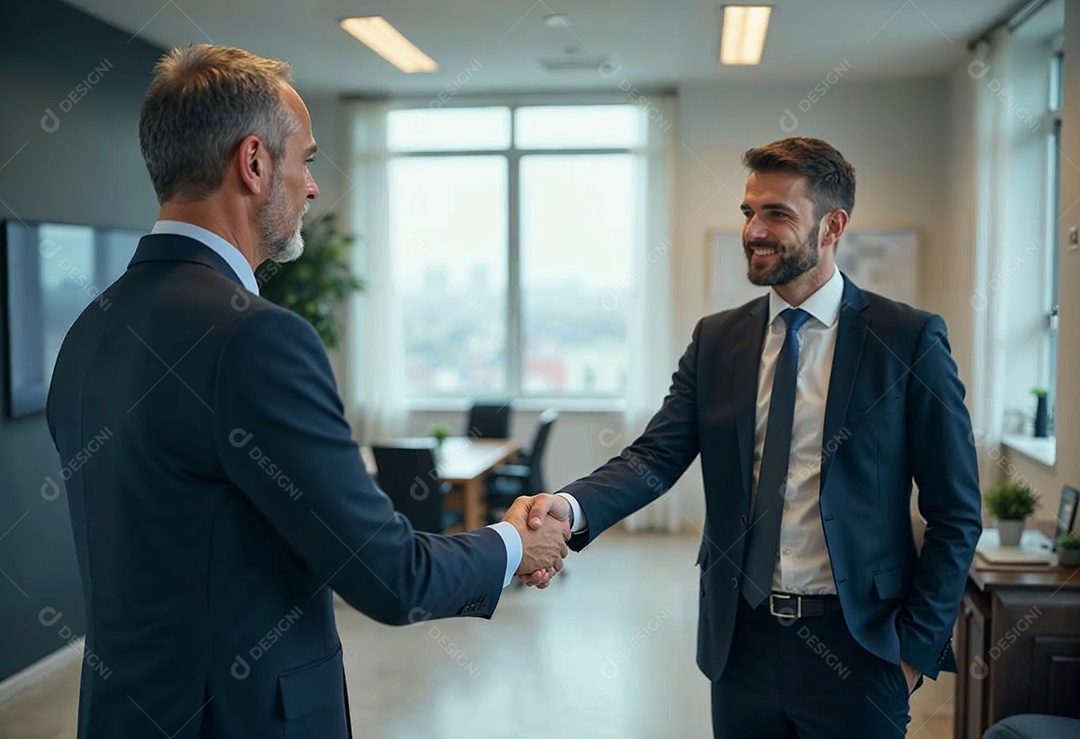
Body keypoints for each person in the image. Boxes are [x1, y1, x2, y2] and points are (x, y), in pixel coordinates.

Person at [45, 44, 568, 739]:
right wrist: (513, 544)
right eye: (307, 159)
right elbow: (389, 574)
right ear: (254, 163)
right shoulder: (255, 336)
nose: (313, 187)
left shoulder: (88, 330)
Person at [518, 137, 982, 738]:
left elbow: (955, 511)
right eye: (748, 212)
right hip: (741, 642)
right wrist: (568, 506)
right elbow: (654, 457)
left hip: (861, 645)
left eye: (777, 214)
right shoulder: (718, 340)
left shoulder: (907, 338)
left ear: (832, 226)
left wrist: (913, 653)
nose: (754, 231)